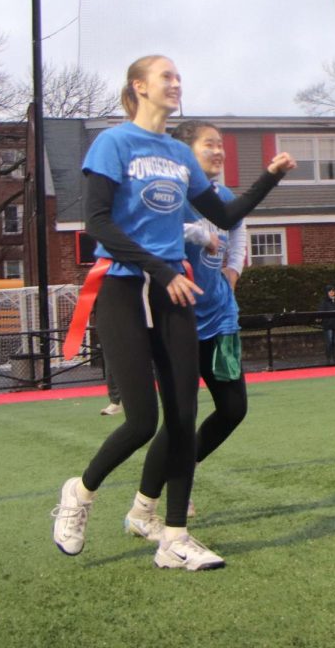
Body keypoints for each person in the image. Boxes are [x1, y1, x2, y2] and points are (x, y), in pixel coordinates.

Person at [50, 55, 294, 571]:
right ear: (139, 87)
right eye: (166, 76)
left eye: (179, 76)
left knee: (183, 420)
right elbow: (95, 222)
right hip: (121, 288)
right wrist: (160, 269)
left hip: (172, 294)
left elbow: (224, 216)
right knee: (142, 421)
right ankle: (80, 492)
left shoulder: (179, 155)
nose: (176, 82)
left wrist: (268, 179)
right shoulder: (114, 143)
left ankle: (175, 538)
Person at [121, 119, 251, 540]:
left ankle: (182, 469)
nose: (219, 152)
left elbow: (238, 226)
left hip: (221, 318)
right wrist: (197, 232)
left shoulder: (223, 195)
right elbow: (147, 233)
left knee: (233, 409)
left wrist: (233, 267)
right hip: (177, 319)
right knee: (179, 418)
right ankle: (143, 509)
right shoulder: (170, 192)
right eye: (209, 144)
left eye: (222, 146)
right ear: (184, 153)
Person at [319, 285, 335, 364]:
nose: (332, 293)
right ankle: (329, 359)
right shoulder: (324, 303)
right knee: (329, 343)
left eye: (333, 291)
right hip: (328, 326)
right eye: (330, 291)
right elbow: (321, 313)